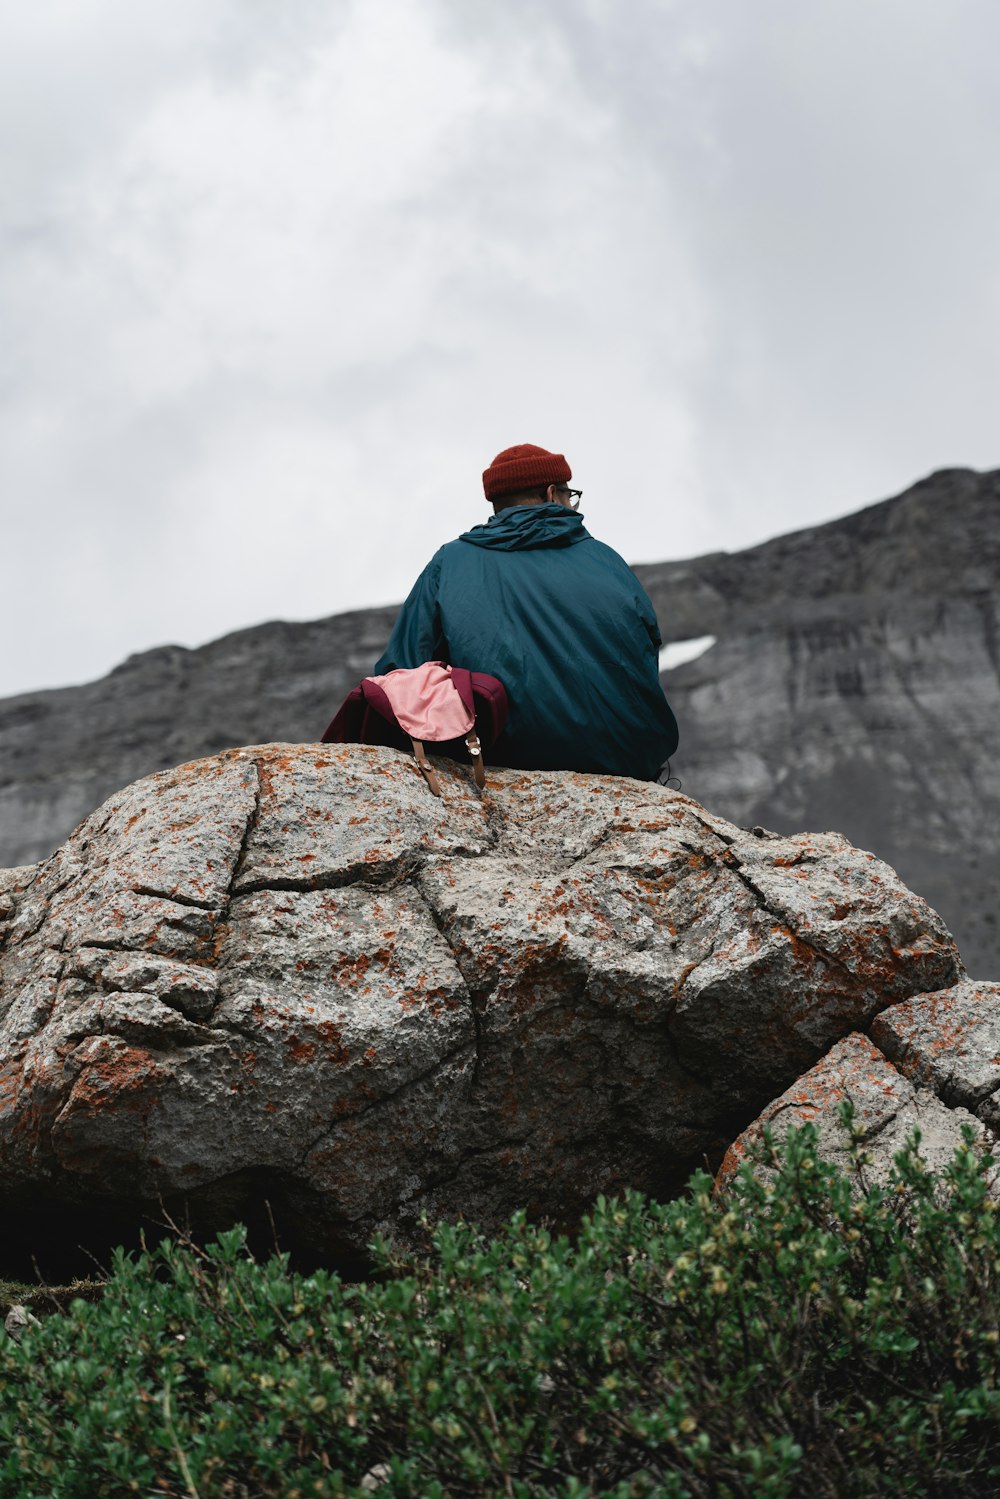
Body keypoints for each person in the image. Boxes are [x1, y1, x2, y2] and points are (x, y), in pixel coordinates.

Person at [373, 443, 679, 781]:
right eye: (570, 495)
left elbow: (401, 670)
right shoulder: (607, 560)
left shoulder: (451, 562)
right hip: (628, 758)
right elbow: (646, 650)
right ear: (552, 494)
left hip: (503, 756)